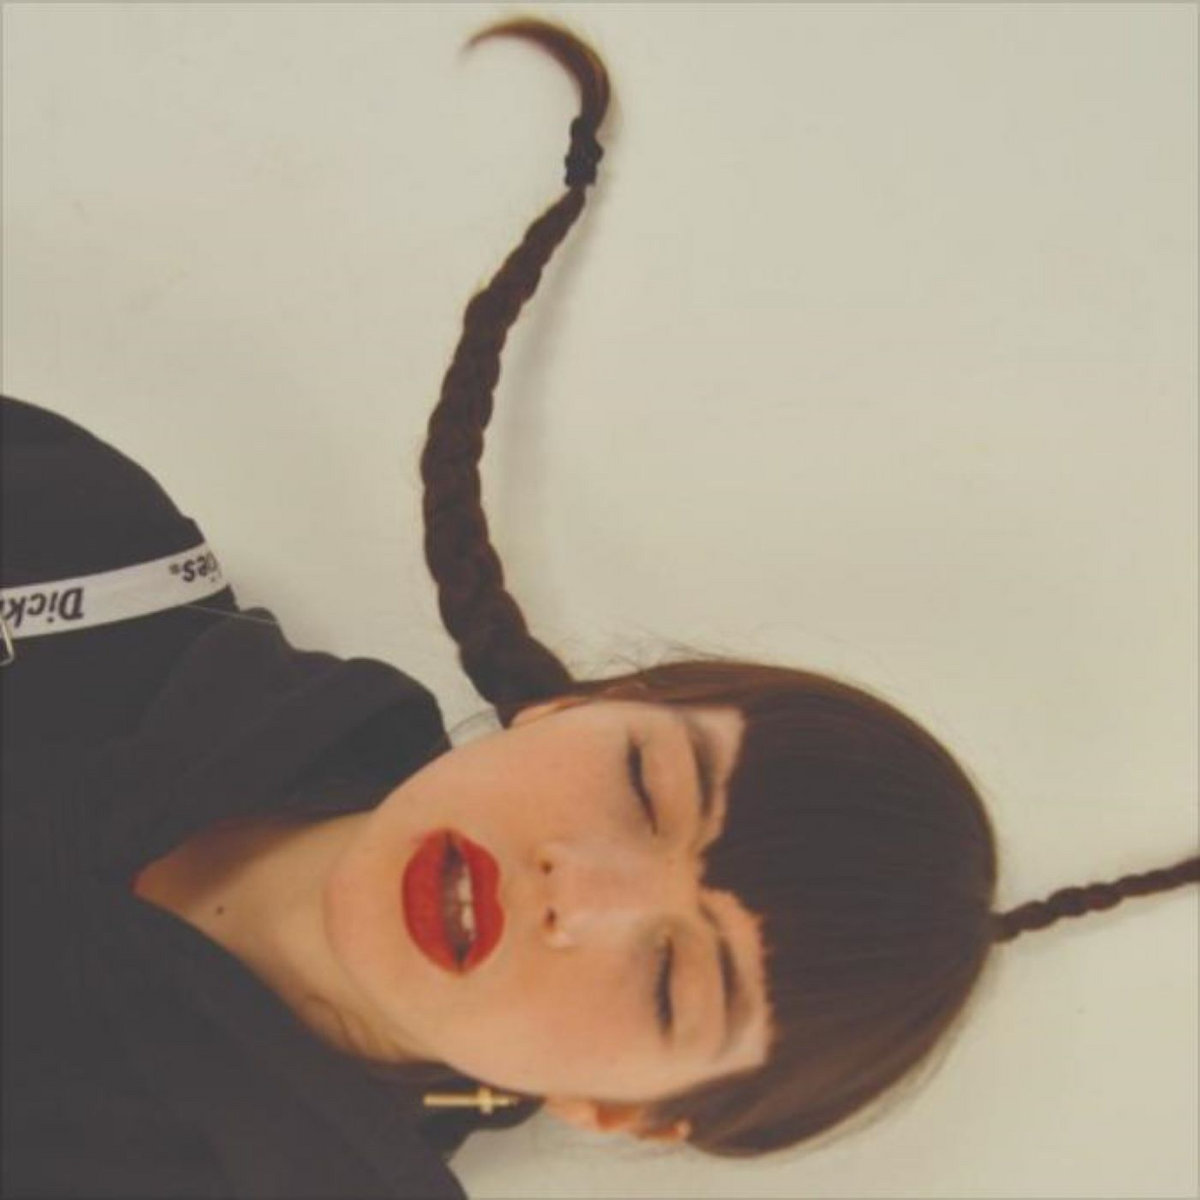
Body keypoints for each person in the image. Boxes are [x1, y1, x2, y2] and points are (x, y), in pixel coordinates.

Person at [1, 16, 1195, 1199]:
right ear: (580, 708)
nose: (577, 893)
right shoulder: (75, 538)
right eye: (644, 788)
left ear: (625, 1112)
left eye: (672, 981)